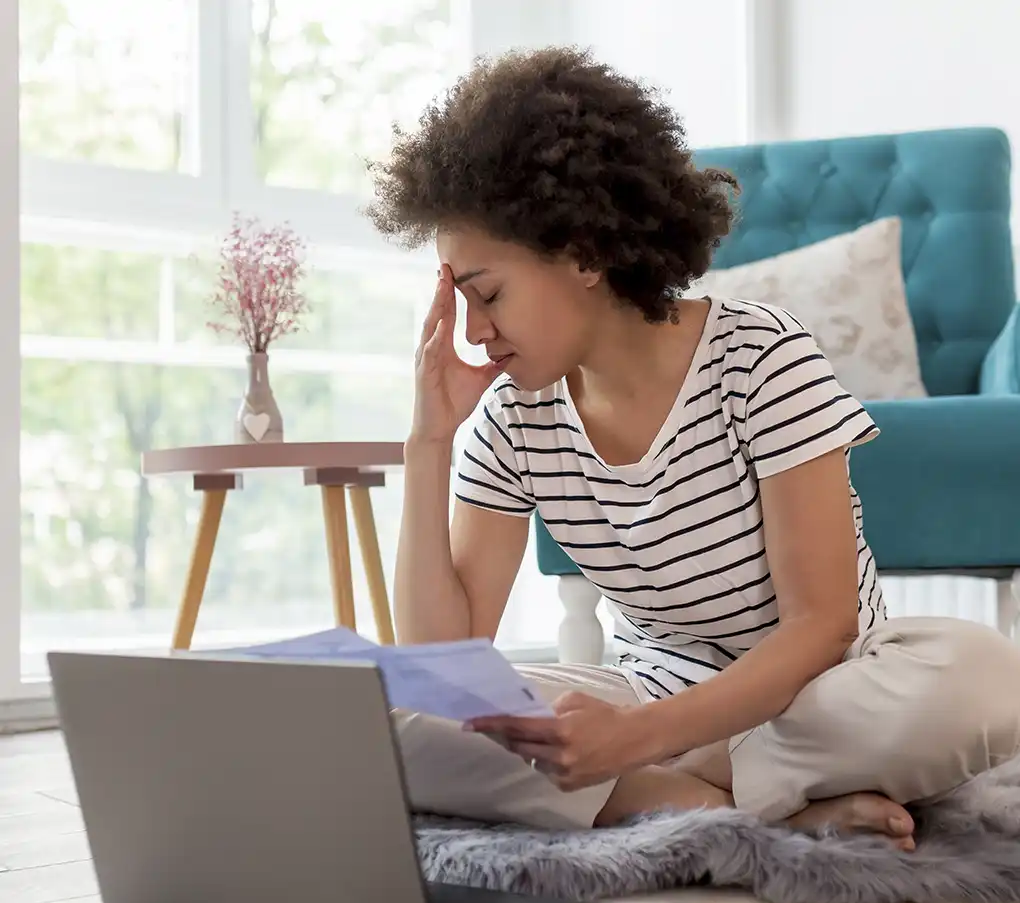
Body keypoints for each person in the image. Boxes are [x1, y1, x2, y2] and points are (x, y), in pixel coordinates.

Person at [366, 46, 1020, 851]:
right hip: (647, 694)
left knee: (984, 680)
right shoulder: (512, 417)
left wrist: (633, 741)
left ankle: (667, 793)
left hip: (819, 694)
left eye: (488, 293)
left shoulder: (758, 357)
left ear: (584, 252)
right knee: (387, 715)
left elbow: (822, 628)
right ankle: (748, 809)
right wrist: (429, 442)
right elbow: (442, 667)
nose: (475, 331)